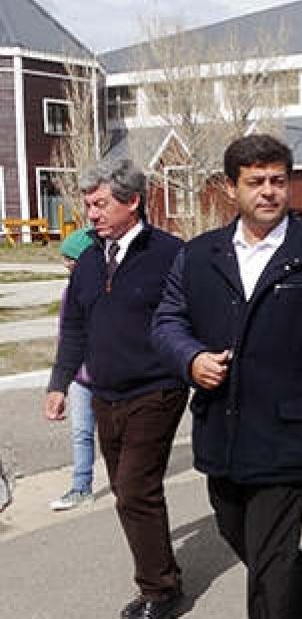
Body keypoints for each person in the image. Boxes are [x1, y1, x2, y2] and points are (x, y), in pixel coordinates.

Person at [153, 134, 302, 619]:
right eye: (256, 182)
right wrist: (191, 359)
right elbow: (167, 322)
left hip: (290, 431)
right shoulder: (198, 256)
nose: (269, 192)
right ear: (232, 187)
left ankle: (289, 599)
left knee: (269, 571)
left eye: (278, 181)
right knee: (238, 532)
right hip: (222, 429)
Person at [43, 159, 187, 619]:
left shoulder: (170, 253)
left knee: (132, 489)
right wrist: (59, 383)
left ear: (132, 201)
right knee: (136, 492)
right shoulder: (87, 260)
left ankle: (160, 593)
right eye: (87, 205)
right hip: (105, 393)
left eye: (100, 204)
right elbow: (76, 328)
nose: (91, 214)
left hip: (157, 388)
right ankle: (163, 571)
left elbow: (195, 316)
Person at [47, 228, 98, 511]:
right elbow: (67, 337)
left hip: (107, 373)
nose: (66, 263)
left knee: (120, 436)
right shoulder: (70, 291)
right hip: (80, 376)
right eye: (64, 258)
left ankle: (129, 486)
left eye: (71, 258)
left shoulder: (104, 287)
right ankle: (81, 487)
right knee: (81, 433)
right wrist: (60, 383)